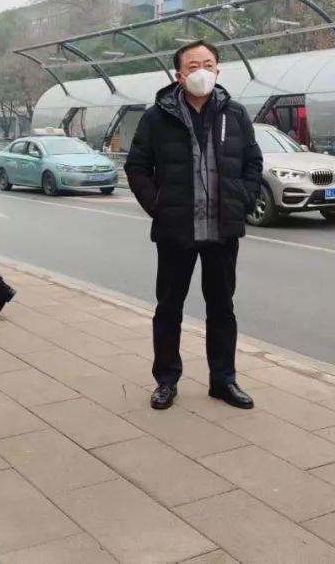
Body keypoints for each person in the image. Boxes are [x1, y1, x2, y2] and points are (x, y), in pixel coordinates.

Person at [125, 40, 263, 411]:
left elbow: (253, 163)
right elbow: (137, 166)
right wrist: (158, 206)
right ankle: (166, 380)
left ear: (218, 70)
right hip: (176, 230)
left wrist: (243, 200)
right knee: (169, 308)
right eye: (193, 66)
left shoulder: (235, 114)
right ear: (179, 75)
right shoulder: (157, 117)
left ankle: (224, 380)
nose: (202, 71)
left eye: (208, 64)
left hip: (222, 230)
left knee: (222, 308)